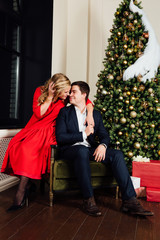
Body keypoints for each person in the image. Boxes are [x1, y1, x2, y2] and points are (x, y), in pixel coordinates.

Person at [56, 81, 154, 217]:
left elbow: (104, 135)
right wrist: (83, 134)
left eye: (74, 92)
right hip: (71, 150)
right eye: (70, 92)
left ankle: (130, 201)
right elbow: (60, 137)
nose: (70, 95)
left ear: (84, 94)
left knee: (117, 154)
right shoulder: (64, 112)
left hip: (89, 149)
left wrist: (103, 145)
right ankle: (88, 199)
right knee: (81, 150)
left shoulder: (95, 114)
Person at [1, 74, 94, 211]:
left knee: (29, 149)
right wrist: (50, 97)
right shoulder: (40, 91)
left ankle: (20, 193)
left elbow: (87, 101)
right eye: (66, 91)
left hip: (51, 131)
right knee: (17, 145)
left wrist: (90, 114)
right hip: (35, 127)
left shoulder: (66, 97)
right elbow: (39, 114)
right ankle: (27, 186)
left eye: (70, 91)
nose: (69, 94)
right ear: (56, 89)